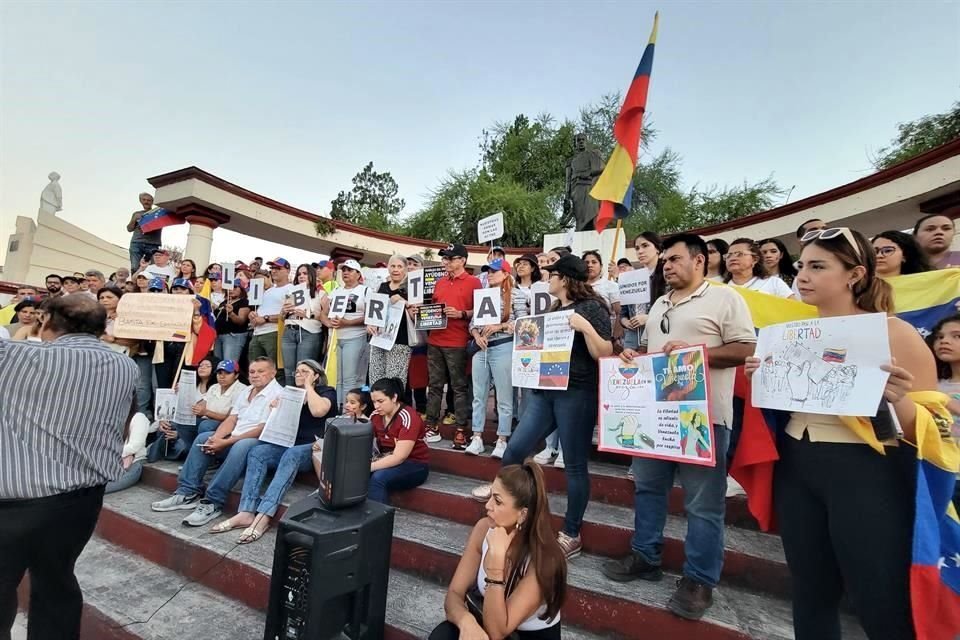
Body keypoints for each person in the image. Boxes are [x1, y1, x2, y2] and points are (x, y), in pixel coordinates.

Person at [744, 226, 939, 640]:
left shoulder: (894, 332)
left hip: (868, 471)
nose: (803, 276)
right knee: (811, 590)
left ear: (854, 274)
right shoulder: (787, 334)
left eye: (818, 266)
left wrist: (898, 398)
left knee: (879, 597)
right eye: (802, 266)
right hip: (797, 466)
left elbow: (933, 429)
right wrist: (760, 380)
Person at [603, 233, 756, 621]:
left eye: (673, 259)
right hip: (657, 417)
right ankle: (645, 555)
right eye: (665, 261)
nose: (666, 266)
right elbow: (658, 358)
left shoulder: (725, 298)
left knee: (703, 505)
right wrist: (634, 357)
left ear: (699, 260)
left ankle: (699, 579)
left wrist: (696, 354)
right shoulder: (658, 304)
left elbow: (744, 348)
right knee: (649, 488)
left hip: (703, 420)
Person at [0, 295, 139, 639]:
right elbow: (123, 425)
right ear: (102, 327)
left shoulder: (13, 356)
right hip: (80, 501)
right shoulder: (126, 367)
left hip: (15, 503)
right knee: (57, 581)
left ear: (45, 320)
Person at [472, 254, 613, 560]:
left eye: (552, 275)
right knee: (514, 451)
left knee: (575, 465)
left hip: (576, 393)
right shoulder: (553, 308)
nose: (547, 279)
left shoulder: (593, 307)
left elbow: (605, 351)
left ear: (564, 279)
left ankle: (572, 532)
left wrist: (585, 328)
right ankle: (507, 505)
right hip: (543, 391)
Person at [432, 461, 566, 640]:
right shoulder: (483, 528)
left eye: (497, 501)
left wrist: (496, 561)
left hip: (525, 636)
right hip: (486, 621)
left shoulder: (544, 559)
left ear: (523, 514)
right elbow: (454, 594)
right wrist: (467, 623)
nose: (488, 505)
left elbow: (497, 632)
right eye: (490, 496)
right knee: (443, 636)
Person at [213, 360, 337, 543]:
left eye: (305, 371)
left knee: (291, 454)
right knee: (259, 453)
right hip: (289, 443)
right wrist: (275, 410)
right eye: (297, 371)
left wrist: (309, 387)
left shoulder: (326, 392)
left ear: (316, 375)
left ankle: (263, 516)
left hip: (313, 447)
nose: (299, 374)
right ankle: (246, 511)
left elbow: (319, 411)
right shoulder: (290, 393)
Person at [150, 357, 283, 526]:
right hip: (235, 437)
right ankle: (187, 492)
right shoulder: (247, 391)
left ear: (273, 373)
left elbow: (262, 429)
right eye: (252, 372)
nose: (255, 375)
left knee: (241, 446)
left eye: (261, 371)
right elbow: (232, 419)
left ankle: (213, 501)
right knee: (204, 437)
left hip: (258, 442)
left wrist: (227, 442)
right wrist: (217, 438)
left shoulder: (279, 394)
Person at [466, 259, 529, 459]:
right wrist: (476, 335)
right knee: (479, 395)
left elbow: (523, 321)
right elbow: (473, 322)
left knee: (504, 396)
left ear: (505, 273)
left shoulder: (517, 294)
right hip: (482, 348)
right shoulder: (483, 294)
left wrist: (499, 327)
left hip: (503, 346)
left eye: (494, 271)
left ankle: (502, 438)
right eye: (488, 272)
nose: (490, 275)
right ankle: (476, 437)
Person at [424, 244, 482, 447]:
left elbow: (482, 310)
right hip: (435, 340)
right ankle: (431, 426)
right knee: (434, 386)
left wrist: (462, 313)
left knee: (459, 387)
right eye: (445, 258)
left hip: (457, 341)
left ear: (462, 261)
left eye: (450, 258)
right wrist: (421, 312)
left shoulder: (474, 282)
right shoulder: (439, 282)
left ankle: (460, 429)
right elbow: (433, 307)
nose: (446, 262)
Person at [149, 360, 246, 461]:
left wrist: (206, 412)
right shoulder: (214, 387)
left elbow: (231, 418)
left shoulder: (241, 390)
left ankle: (203, 457)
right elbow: (199, 407)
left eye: (227, 373)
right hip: (206, 419)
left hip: (225, 424)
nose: (222, 376)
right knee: (182, 422)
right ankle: (193, 454)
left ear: (236, 375)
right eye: (220, 373)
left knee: (205, 425)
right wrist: (182, 395)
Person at [367, 377, 430, 504]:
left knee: (379, 478)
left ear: (394, 398)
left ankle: (378, 520)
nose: (376, 406)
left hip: (414, 464)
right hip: (385, 458)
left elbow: (399, 457)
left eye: (380, 401)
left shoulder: (408, 417)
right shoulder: (374, 416)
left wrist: (368, 467)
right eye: (374, 402)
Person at [320, 259, 370, 407]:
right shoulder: (336, 291)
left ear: (358, 274)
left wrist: (347, 322)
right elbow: (323, 312)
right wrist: (328, 322)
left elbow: (370, 316)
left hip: (356, 336)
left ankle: (349, 411)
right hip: (338, 337)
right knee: (339, 379)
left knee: (350, 378)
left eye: (350, 270)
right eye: (344, 270)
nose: (346, 273)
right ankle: (341, 408)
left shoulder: (365, 290)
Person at [928, 314, 960, 510]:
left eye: (956, 336)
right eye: (940, 337)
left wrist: (945, 401)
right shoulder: (932, 385)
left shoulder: (934, 392)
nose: (944, 341)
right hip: (940, 474)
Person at [368, 255, 414, 385]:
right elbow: (372, 314)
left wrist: (404, 302)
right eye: (393, 266)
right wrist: (370, 324)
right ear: (388, 268)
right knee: (375, 379)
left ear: (405, 269)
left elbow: (417, 316)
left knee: (394, 383)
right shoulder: (381, 287)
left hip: (400, 341)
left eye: (400, 266)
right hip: (379, 339)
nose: (396, 269)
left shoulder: (411, 288)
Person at [248, 258, 293, 383]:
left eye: (278, 268)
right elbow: (261, 310)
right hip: (257, 333)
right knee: (254, 369)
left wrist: (266, 318)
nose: (274, 271)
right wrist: (253, 315)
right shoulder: (268, 291)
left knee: (274, 371)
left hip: (274, 333)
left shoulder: (291, 289)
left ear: (287, 270)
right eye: (272, 268)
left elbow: (289, 313)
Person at [282, 264, 324, 386]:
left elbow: (325, 315)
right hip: (289, 330)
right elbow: (282, 315)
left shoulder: (320, 292)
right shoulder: (292, 292)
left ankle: (304, 401)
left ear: (312, 275)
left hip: (309, 333)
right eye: (299, 274)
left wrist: (308, 314)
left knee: (304, 370)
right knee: (289, 371)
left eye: (305, 273)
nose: (301, 276)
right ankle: (290, 400)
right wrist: (283, 312)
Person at [723, 238, 795, 298]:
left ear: (755, 259)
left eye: (739, 254)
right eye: (729, 255)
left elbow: (795, 309)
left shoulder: (774, 283)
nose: (732, 258)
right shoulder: (722, 289)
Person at [106, 412, 150, 494]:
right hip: (111, 461)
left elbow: (135, 446)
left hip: (133, 462)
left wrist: (111, 453)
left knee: (102, 488)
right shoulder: (111, 417)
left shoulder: (139, 417)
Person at [215, 279, 250, 363]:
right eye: (229, 288)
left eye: (234, 287)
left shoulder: (244, 302)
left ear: (241, 289)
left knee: (229, 364)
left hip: (233, 335)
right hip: (219, 336)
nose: (231, 290)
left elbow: (241, 321)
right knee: (217, 363)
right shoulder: (223, 303)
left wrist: (231, 313)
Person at [127, 191, 163, 272]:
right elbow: (129, 229)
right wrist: (134, 220)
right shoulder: (136, 214)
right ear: (141, 201)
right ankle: (135, 283)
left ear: (152, 202)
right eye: (144, 200)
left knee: (151, 269)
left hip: (152, 244)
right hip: (137, 243)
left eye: (149, 200)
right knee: (135, 267)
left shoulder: (158, 213)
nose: (146, 202)